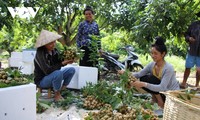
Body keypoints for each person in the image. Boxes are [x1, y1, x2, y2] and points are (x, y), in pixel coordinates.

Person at [119, 36, 180, 108]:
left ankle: (160, 101)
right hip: (161, 92)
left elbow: (162, 88)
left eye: (155, 53)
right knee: (144, 78)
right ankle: (156, 99)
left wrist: (143, 84)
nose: (153, 56)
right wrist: (125, 73)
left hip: (170, 95)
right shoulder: (152, 64)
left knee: (148, 80)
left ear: (163, 54)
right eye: (152, 53)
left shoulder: (168, 68)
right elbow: (138, 74)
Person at [34, 30, 75, 102]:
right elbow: (47, 71)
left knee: (71, 70)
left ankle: (62, 90)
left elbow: (60, 61)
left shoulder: (54, 51)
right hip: (42, 80)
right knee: (58, 73)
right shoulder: (40, 53)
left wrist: (68, 60)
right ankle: (57, 94)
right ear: (44, 44)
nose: (53, 44)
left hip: (52, 75)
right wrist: (62, 63)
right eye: (50, 43)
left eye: (54, 42)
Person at [180, 20, 200, 88]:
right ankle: (183, 83)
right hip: (192, 50)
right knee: (188, 67)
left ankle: (197, 85)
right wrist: (189, 38)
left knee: (199, 70)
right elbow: (186, 34)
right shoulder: (194, 24)